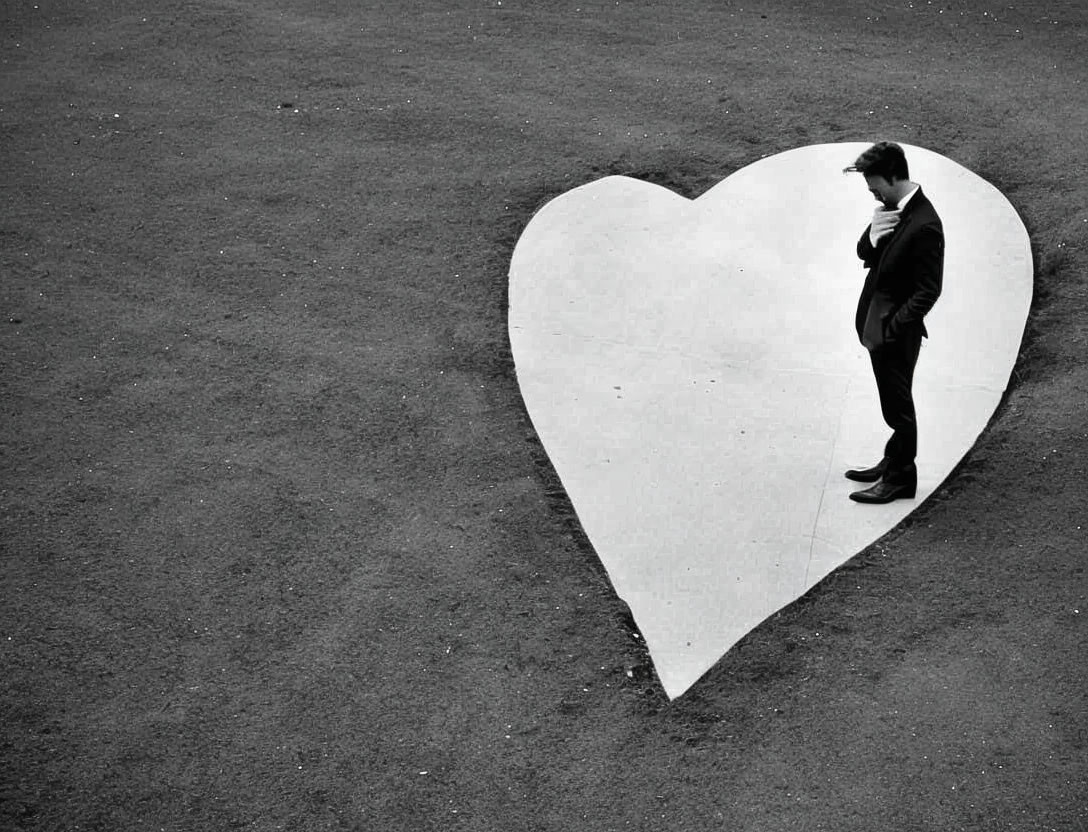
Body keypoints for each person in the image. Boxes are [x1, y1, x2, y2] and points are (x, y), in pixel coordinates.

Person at [843, 141, 943, 504]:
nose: (871, 191)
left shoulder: (925, 224)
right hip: (877, 327)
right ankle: (892, 460)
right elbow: (863, 253)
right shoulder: (891, 208)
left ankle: (901, 478)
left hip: (895, 334)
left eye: (874, 184)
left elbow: (928, 290)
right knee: (892, 401)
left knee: (898, 408)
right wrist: (873, 234)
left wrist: (893, 329)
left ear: (894, 176)